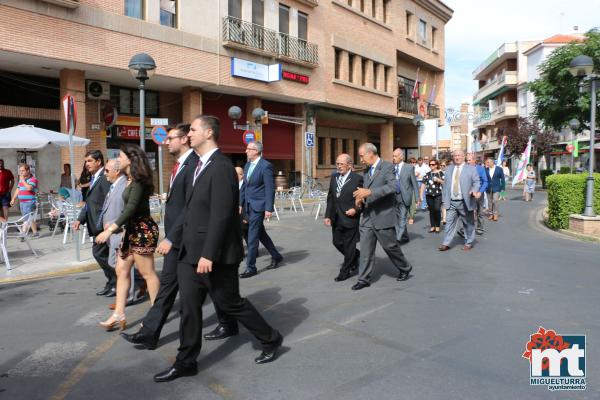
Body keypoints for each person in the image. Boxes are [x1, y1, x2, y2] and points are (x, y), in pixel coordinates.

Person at [153, 115, 282, 383]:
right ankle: (186, 361)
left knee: (229, 303)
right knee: (189, 308)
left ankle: (270, 338)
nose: (188, 134)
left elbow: (222, 215)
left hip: (215, 255)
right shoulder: (198, 165)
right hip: (189, 252)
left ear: (209, 132)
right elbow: (189, 210)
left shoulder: (221, 166)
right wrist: (172, 238)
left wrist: (208, 254)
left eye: (193, 129)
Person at [121, 124, 201, 349]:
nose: (166, 142)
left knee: (220, 294)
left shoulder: (194, 165)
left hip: (186, 239)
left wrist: (171, 238)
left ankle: (240, 325)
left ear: (184, 139)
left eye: (170, 138)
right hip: (177, 238)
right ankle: (149, 333)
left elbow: (189, 207)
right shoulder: (180, 165)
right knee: (167, 286)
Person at [95, 144, 160, 332]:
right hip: (131, 229)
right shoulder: (129, 179)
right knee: (121, 270)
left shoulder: (138, 181)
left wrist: (110, 230)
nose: (118, 159)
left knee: (148, 273)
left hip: (142, 230)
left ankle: (156, 316)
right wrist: (116, 224)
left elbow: (131, 209)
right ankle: (119, 314)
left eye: (120, 156)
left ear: (130, 160)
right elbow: (127, 211)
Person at [351, 143, 413, 291]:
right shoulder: (366, 170)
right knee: (365, 250)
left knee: (390, 247)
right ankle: (363, 279)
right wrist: (361, 198)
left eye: (361, 155)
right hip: (367, 217)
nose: (360, 159)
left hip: (383, 215)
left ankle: (405, 267)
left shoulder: (387, 167)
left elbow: (393, 187)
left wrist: (369, 192)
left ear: (371, 153)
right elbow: (366, 190)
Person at [239, 141, 284, 278]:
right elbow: (245, 186)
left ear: (256, 151)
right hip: (248, 205)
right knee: (261, 233)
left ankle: (251, 267)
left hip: (259, 206)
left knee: (252, 237)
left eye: (249, 149)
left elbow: (270, 188)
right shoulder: (247, 165)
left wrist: (268, 208)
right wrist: (240, 203)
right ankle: (276, 256)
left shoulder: (266, 166)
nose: (246, 151)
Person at [73, 151, 113, 296]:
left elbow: (111, 201)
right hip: (96, 224)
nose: (86, 164)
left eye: (89, 161)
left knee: (99, 253)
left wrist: (109, 223)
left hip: (103, 225)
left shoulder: (105, 177)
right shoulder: (95, 178)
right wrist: (80, 219)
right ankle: (112, 282)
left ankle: (116, 281)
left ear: (98, 161)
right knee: (106, 255)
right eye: (86, 161)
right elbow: (89, 203)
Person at [324, 153, 363, 282]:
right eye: (337, 164)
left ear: (349, 165)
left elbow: (362, 199)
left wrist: (356, 209)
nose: (339, 166)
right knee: (337, 242)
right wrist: (327, 215)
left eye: (341, 164)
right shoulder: (334, 177)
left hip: (350, 218)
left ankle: (345, 271)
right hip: (336, 218)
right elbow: (330, 198)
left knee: (349, 245)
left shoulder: (357, 179)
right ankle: (356, 255)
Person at [439, 150, 480, 252]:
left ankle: (469, 242)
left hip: (464, 201)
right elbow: (446, 185)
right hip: (451, 201)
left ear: (463, 157)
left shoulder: (471, 169)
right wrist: (444, 199)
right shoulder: (449, 169)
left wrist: (474, 191)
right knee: (449, 223)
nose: (457, 157)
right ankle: (446, 243)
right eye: (455, 155)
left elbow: (476, 182)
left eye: (459, 155)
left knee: (467, 223)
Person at [391, 148, 419, 243]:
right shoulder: (392, 168)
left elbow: (414, 184)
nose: (393, 158)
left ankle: (397, 238)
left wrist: (417, 198)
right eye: (393, 156)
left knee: (402, 218)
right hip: (394, 197)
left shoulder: (409, 168)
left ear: (401, 156)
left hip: (405, 196)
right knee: (396, 219)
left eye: (395, 156)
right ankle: (405, 237)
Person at [10, 163, 39, 237]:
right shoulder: (22, 180)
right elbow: (18, 189)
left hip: (29, 202)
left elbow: (29, 188)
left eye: (22, 171)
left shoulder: (33, 179)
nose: (21, 173)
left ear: (28, 170)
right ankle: (35, 232)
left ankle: (22, 234)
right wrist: (13, 198)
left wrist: (22, 180)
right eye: (20, 171)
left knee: (26, 218)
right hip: (22, 202)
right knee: (28, 217)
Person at [419, 159, 444, 233]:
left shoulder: (440, 173)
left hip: (438, 194)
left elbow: (445, 182)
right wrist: (421, 195)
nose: (431, 166)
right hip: (429, 195)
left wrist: (439, 180)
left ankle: (438, 226)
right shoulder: (427, 174)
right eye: (430, 164)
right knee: (431, 210)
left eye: (433, 164)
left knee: (437, 209)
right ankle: (433, 226)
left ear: (436, 165)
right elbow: (423, 184)